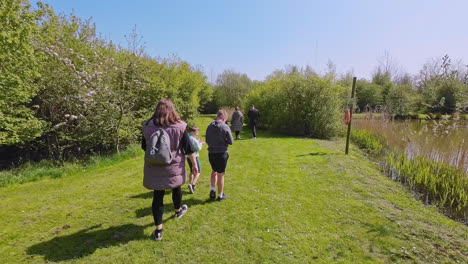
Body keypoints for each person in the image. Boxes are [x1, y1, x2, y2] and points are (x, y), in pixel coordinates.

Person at [141, 98, 198, 241]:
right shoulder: (180, 126)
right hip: (174, 166)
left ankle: (158, 231)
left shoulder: (148, 125)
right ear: (172, 109)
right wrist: (195, 165)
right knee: (176, 188)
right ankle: (178, 211)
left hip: (154, 167)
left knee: (157, 196)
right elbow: (188, 148)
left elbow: (144, 147)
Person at [206, 110, 233, 201]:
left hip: (211, 153)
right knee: (221, 174)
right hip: (221, 153)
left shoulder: (209, 127)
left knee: (214, 171)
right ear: (224, 118)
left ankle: (213, 190)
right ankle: (220, 195)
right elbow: (231, 141)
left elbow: (207, 140)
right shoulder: (225, 126)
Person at [187, 125, 204, 194]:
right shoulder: (193, 139)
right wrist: (201, 143)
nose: (198, 132)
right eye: (197, 131)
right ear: (192, 132)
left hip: (188, 156)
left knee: (192, 171)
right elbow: (198, 148)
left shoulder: (188, 137)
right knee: (198, 172)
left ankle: (190, 184)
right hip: (194, 156)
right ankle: (192, 185)